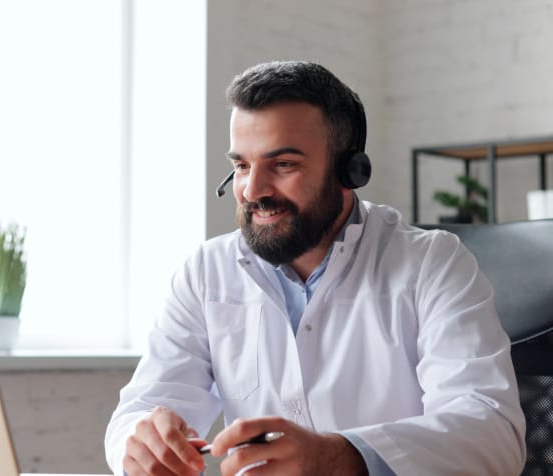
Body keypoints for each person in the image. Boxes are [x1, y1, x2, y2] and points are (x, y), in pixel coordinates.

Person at [104, 60, 525, 476]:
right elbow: (141, 408)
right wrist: (140, 444)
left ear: (350, 171)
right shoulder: (205, 272)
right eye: (242, 166)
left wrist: (341, 458)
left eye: (283, 165)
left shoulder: (432, 264)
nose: (252, 190)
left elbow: (491, 432)